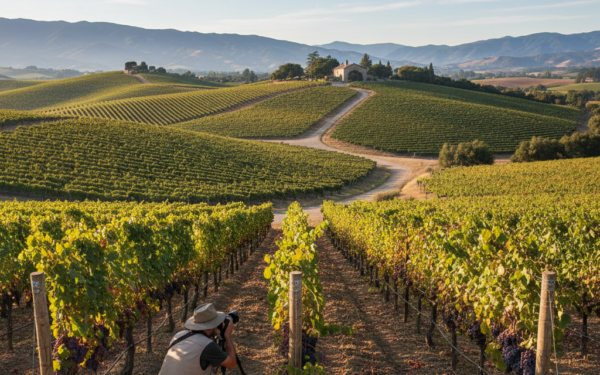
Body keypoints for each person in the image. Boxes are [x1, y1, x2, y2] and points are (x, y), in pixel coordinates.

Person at [158, 303, 237, 375]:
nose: (216, 328)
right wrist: (227, 336)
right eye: (215, 325)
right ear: (210, 329)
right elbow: (232, 364)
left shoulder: (178, 335)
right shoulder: (207, 346)